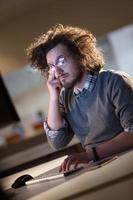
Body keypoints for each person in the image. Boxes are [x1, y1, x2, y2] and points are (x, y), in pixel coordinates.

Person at [27, 24, 133, 172]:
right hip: (99, 167)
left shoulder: (114, 81)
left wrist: (91, 155)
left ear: (80, 55)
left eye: (61, 61)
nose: (57, 71)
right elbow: (58, 142)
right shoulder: (65, 96)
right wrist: (53, 97)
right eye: (51, 66)